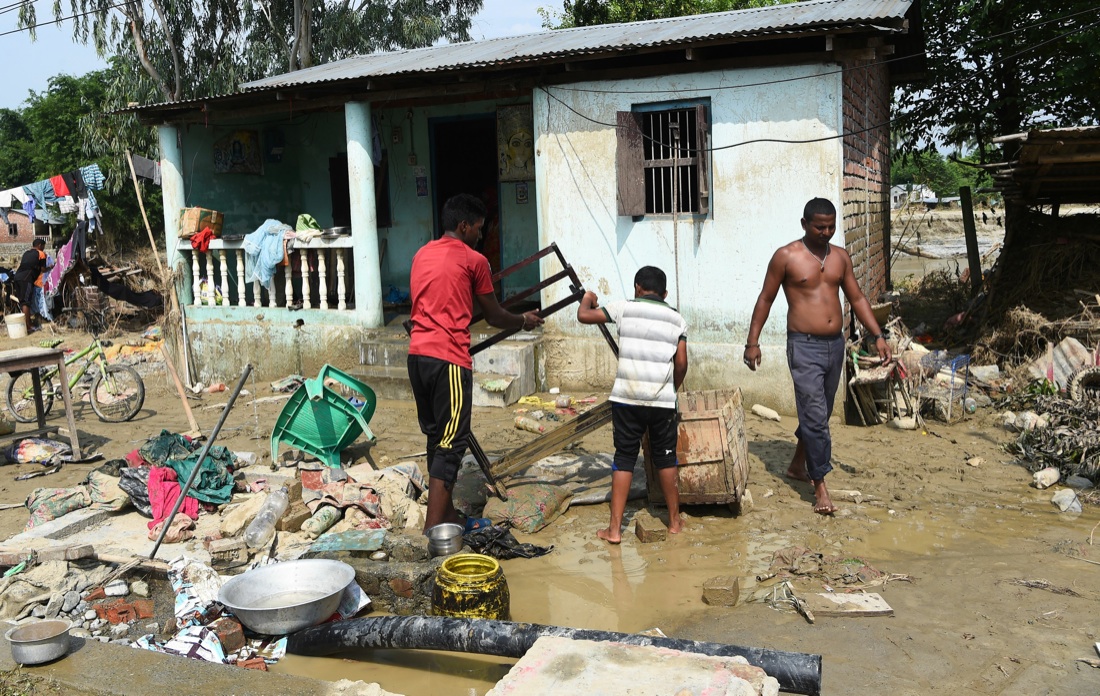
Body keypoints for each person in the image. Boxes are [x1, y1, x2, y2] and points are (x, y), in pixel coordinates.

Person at [743, 198, 891, 515]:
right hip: (804, 346)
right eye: (819, 227)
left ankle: (797, 465)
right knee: (814, 416)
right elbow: (765, 299)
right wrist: (752, 342)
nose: (826, 232)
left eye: (831, 227)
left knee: (818, 415)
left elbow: (857, 298)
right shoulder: (786, 257)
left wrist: (878, 335)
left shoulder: (840, 257)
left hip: (834, 346)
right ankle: (820, 485)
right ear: (804, 224)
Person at [408, 193, 543, 533]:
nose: (481, 236)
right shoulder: (474, 260)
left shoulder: (422, 254)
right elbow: (494, 315)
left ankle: (446, 516)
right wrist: (523, 320)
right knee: (453, 442)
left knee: (436, 438)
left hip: (418, 357)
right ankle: (434, 528)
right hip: (449, 359)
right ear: (464, 226)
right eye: (479, 229)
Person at [576, 266, 688, 543]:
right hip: (662, 402)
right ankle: (674, 522)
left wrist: (589, 297)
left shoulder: (623, 308)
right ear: (664, 294)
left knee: (624, 458)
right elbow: (681, 363)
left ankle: (614, 530)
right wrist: (672, 388)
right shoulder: (677, 319)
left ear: (637, 287)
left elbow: (584, 315)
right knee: (665, 458)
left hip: (626, 399)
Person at [14, 238, 47, 333]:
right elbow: (43, 269)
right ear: (40, 245)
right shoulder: (41, 253)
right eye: (43, 246)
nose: (43, 248)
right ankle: (28, 326)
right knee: (26, 302)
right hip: (26, 279)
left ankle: (25, 324)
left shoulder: (26, 253)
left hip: (17, 277)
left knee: (22, 301)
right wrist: (50, 267)